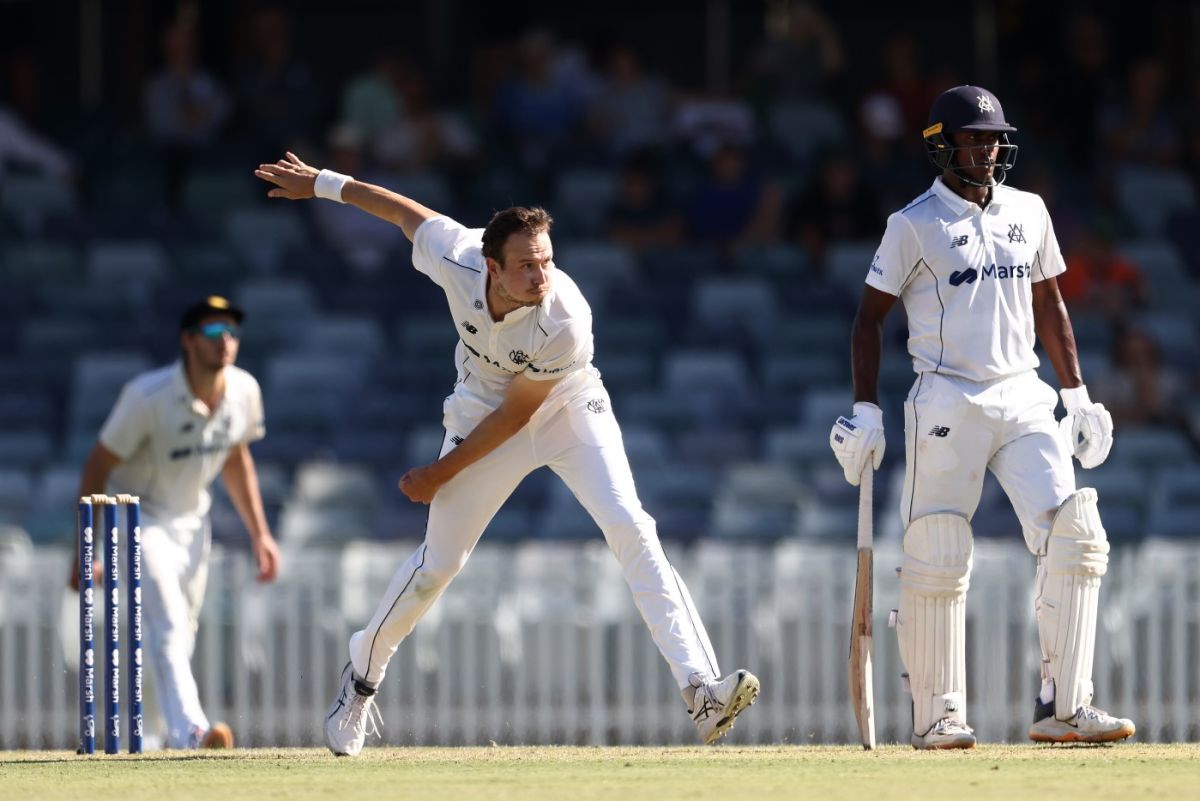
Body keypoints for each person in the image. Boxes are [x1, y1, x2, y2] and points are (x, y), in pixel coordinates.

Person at [254, 152, 759, 756]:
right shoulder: (456, 254)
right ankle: (362, 677)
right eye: (525, 266)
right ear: (490, 266)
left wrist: (437, 473)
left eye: (546, 261)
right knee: (438, 565)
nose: (540, 276)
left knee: (632, 525)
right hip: (478, 408)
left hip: (565, 402)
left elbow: (520, 416)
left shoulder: (566, 317)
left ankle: (700, 690)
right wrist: (323, 185)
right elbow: (401, 213)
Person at [828, 86, 1136, 749]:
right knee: (936, 547)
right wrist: (864, 408)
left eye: (995, 138)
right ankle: (937, 714)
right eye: (975, 138)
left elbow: (1050, 304)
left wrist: (1076, 394)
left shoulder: (1029, 210)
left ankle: (1065, 704)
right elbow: (868, 318)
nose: (989, 149)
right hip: (946, 394)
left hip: (1023, 390)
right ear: (943, 145)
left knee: (1075, 533)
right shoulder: (912, 224)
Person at [68, 295, 281, 749]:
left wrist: (260, 534)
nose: (224, 340)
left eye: (231, 332)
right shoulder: (147, 396)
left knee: (181, 632)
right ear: (187, 341)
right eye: (211, 331)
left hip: (192, 521)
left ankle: (160, 734)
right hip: (137, 516)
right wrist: (83, 550)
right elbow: (97, 466)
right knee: (165, 624)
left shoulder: (244, 390)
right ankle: (195, 730)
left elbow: (236, 458)